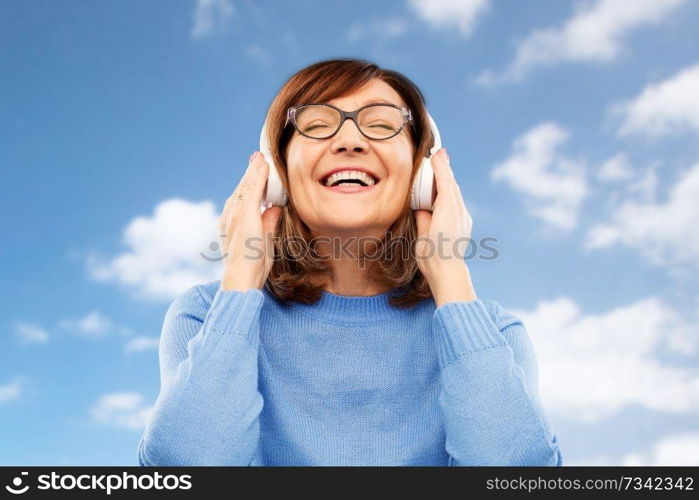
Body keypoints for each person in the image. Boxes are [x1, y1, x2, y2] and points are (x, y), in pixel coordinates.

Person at [137, 58, 564, 466]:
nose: (350, 141)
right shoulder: (205, 316)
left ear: (422, 176)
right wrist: (242, 273)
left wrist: (449, 271)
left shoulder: (493, 335)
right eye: (317, 125)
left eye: (381, 125)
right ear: (278, 176)